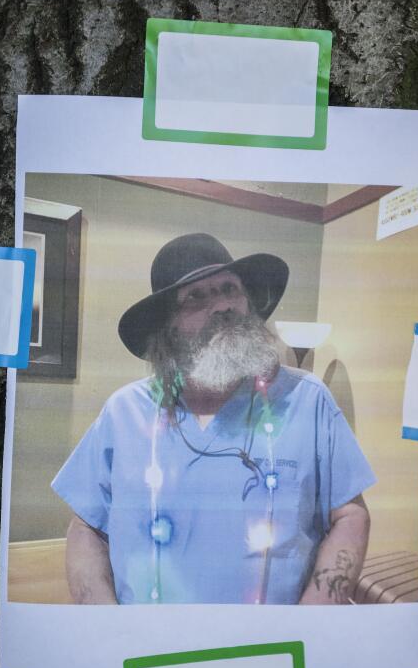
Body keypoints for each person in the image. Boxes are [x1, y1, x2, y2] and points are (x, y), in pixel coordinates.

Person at [54, 233, 375, 604]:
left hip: (272, 652)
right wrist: (105, 626)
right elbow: (86, 527)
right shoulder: (123, 412)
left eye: (229, 289)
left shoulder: (307, 400)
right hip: (147, 654)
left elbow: (351, 516)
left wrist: (309, 625)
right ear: (167, 327)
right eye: (196, 297)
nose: (222, 306)